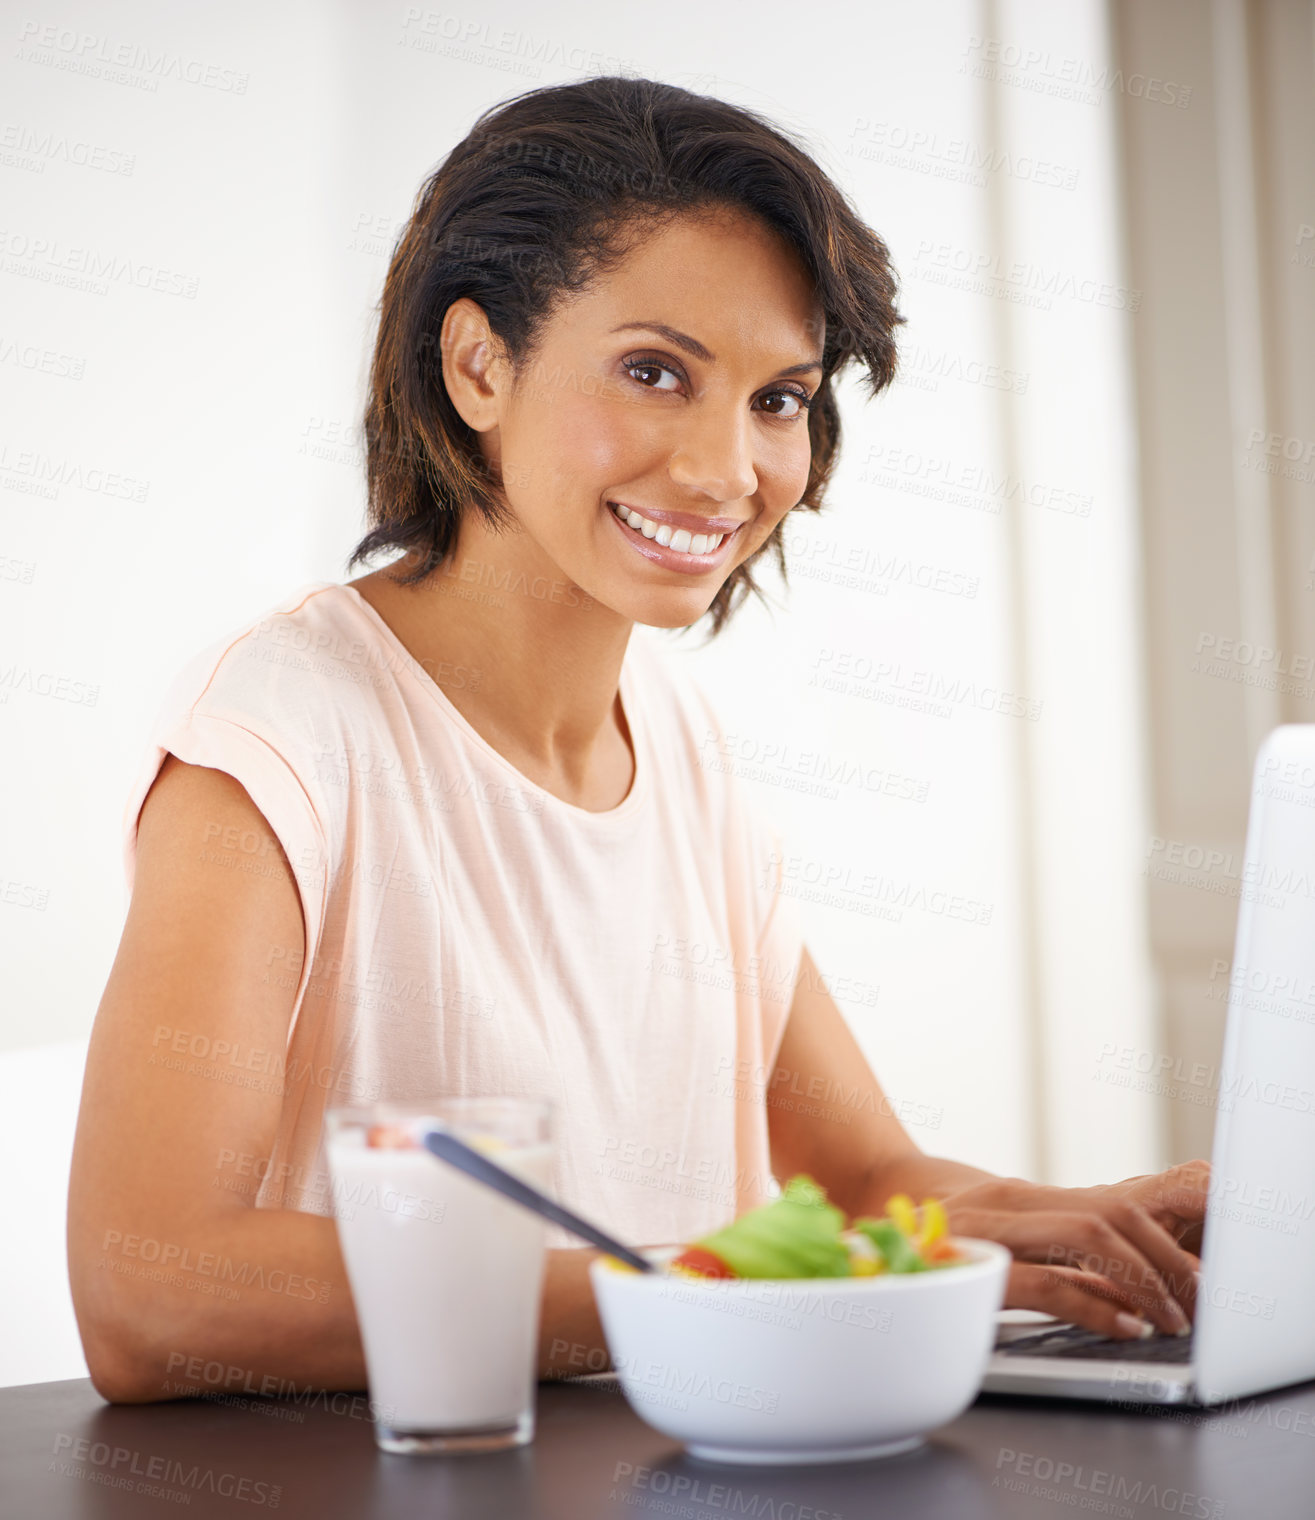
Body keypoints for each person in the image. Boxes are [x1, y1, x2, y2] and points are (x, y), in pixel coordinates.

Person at [67, 75, 1207, 1406]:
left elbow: (872, 1189)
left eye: (777, 398)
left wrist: (1108, 1218)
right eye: (655, 372)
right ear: (479, 364)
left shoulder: (678, 749)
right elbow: (154, 1291)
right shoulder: (277, 737)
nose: (729, 471)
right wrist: (703, 1291)